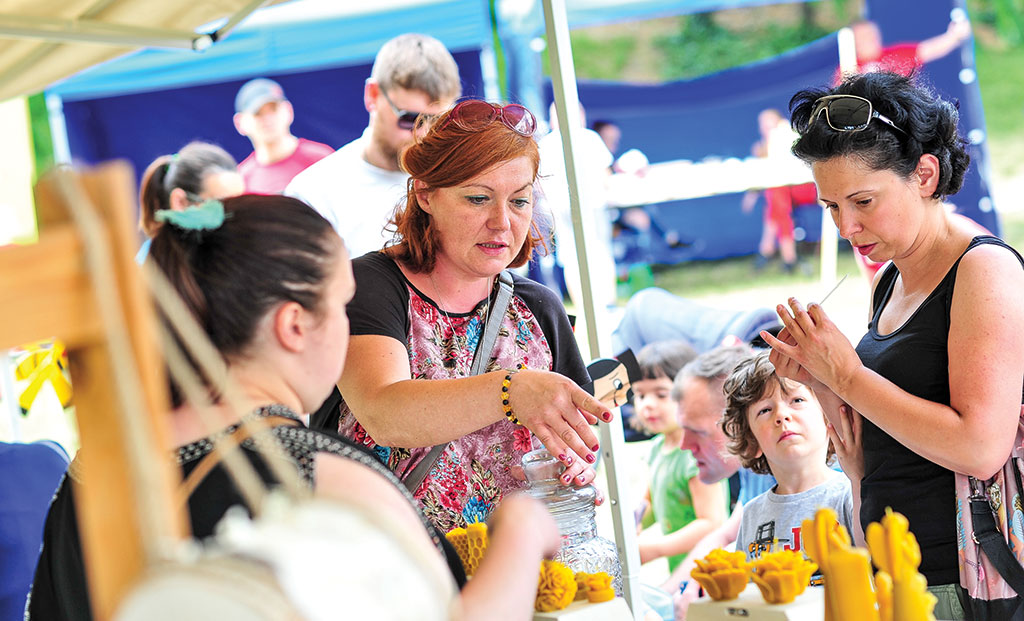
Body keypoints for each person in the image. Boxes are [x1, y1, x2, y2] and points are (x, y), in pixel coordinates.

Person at [27, 194, 563, 621]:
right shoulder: (323, 474)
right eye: (340, 306)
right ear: (294, 324)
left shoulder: (87, 469)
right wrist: (520, 530)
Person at [761, 71, 1024, 619]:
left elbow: (980, 447)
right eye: (831, 206)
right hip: (894, 570)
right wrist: (814, 375)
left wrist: (847, 375)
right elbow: (879, 424)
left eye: (862, 201)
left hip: (964, 580)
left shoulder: (983, 269)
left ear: (924, 174)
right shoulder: (891, 276)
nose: (846, 225)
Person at [313, 99, 613, 534]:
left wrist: (574, 467)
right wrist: (511, 391)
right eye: (478, 198)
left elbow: (580, 436)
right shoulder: (370, 284)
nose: (502, 223)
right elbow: (383, 413)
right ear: (425, 194)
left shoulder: (539, 307)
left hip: (515, 570)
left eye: (520, 201)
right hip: (392, 570)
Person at [286, 33, 461, 257]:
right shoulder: (315, 193)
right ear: (373, 95)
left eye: (437, 121)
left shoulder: (460, 180)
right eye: (410, 118)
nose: (423, 134)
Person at [840, 14, 973, 281]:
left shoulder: (894, 57)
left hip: (905, 152)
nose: (871, 41)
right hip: (870, 160)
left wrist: (956, 35)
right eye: (864, 36)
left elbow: (929, 49)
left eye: (873, 35)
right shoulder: (848, 72)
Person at [659, 345, 775, 619]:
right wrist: (663, 599)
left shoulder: (795, 473)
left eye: (696, 432)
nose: (685, 446)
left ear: (741, 425)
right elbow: (726, 534)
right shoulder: (755, 468)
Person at [720, 350, 853, 562]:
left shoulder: (850, 494)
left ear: (828, 419)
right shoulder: (752, 514)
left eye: (797, 400)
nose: (782, 415)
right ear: (752, 441)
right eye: (764, 410)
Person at [632, 341, 730, 573]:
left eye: (661, 394)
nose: (648, 405)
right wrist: (632, 523)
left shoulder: (695, 455)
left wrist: (654, 549)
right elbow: (652, 503)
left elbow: (711, 522)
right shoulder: (657, 448)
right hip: (679, 569)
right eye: (640, 395)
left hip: (708, 571)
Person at [537, 102, 618, 309]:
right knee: (596, 251)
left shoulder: (547, 144)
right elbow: (605, 173)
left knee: (575, 255)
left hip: (570, 206)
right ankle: (606, 304)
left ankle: (588, 305)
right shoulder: (589, 138)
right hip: (584, 205)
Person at [135, 141, 244, 263]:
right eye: (223, 205)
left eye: (242, 203)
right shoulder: (151, 268)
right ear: (180, 202)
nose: (237, 216)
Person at [741, 109, 816, 274]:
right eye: (761, 124)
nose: (764, 128)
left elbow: (777, 170)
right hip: (788, 187)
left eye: (767, 123)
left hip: (809, 187)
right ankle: (784, 256)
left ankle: (775, 252)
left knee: (776, 194)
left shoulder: (783, 134)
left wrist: (752, 194)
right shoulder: (771, 141)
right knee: (776, 197)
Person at [232, 77, 334, 194]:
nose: (268, 119)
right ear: (239, 123)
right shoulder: (240, 181)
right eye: (257, 113)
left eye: (273, 109)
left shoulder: (321, 159)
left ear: (289, 111)